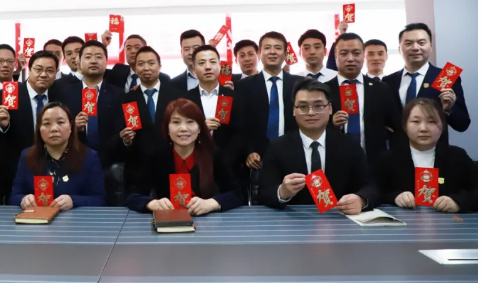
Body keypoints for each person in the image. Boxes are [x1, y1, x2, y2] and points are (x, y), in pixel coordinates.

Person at [259, 79, 380, 213]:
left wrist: (361, 200)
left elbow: (371, 187)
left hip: (339, 218)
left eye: (318, 106)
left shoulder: (350, 146)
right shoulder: (277, 147)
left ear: (330, 109)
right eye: (303, 106)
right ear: (294, 110)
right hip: (293, 219)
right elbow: (263, 193)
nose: (311, 113)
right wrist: (282, 192)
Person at [125, 98, 243, 214]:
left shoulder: (213, 155)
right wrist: (152, 203)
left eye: (190, 122)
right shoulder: (156, 157)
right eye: (176, 122)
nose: (183, 128)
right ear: (167, 128)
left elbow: (237, 193)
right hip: (167, 220)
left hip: (207, 221)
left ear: (200, 128)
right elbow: (132, 195)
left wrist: (212, 203)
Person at [378, 98, 477, 213]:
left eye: (431, 122)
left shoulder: (458, 157)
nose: (423, 129)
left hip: (448, 221)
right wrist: (395, 197)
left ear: (443, 125)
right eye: (416, 121)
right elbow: (377, 192)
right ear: (405, 126)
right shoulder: (388, 159)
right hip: (404, 221)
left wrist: (459, 202)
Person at [0, 49, 60, 199]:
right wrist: (2, 125)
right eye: (38, 69)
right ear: (29, 69)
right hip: (17, 167)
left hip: (54, 166)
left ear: (56, 73)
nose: (43, 74)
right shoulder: (9, 94)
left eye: (49, 71)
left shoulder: (60, 95)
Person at [325, 33, 402, 167]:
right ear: (336, 56)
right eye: (344, 53)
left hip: (375, 163)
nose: (350, 59)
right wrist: (331, 124)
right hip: (335, 163)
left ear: (363, 56)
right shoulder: (324, 90)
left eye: (356, 53)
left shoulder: (381, 89)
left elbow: (396, 127)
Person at [9, 102, 105, 209]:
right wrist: (23, 199)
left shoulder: (89, 157)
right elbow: (14, 196)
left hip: (75, 218)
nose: (54, 129)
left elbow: (99, 200)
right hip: (37, 217)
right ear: (39, 129)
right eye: (47, 124)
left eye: (60, 122)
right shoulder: (27, 156)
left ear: (71, 126)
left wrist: (73, 201)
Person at [383, 23, 470, 132]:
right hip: (398, 142)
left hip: (434, 142)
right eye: (408, 43)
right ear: (399, 49)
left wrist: (448, 109)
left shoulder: (446, 77)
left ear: (431, 47)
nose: (415, 48)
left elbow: (462, 125)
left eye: (421, 43)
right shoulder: (388, 81)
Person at [116, 47, 185, 179]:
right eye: (141, 64)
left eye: (151, 63)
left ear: (159, 66)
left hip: (172, 165)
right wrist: (125, 141)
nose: (146, 68)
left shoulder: (176, 96)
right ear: (135, 68)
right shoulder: (127, 99)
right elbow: (119, 132)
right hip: (138, 169)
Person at [238, 32, 303, 170]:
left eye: (278, 48)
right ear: (259, 53)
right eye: (267, 48)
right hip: (257, 158)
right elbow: (240, 124)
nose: (272, 52)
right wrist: (248, 151)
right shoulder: (243, 86)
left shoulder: (300, 84)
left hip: (294, 153)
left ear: (285, 54)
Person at [60, 40, 123, 167]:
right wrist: (74, 128)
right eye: (88, 57)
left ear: (106, 61)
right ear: (79, 61)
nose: (93, 61)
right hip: (72, 161)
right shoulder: (65, 94)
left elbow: (120, 131)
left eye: (99, 57)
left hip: (109, 163)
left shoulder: (119, 94)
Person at [105, 34, 171, 92]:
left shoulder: (163, 79)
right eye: (128, 48)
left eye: (137, 47)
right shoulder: (118, 70)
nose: (132, 51)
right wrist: (104, 45)